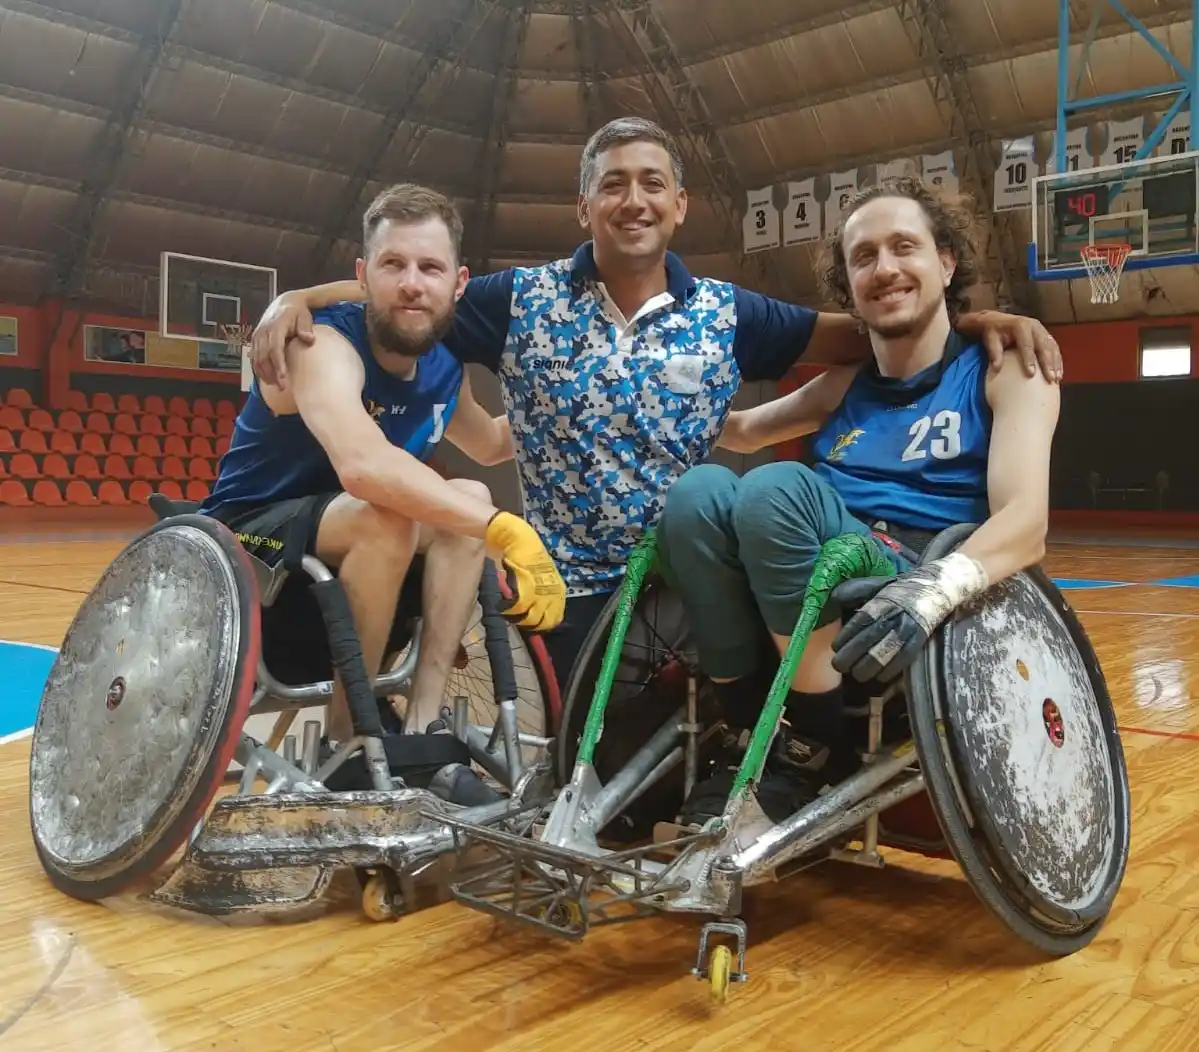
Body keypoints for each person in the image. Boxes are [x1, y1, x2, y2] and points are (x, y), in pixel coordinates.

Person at [245, 117, 1063, 694]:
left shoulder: (732, 314)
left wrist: (976, 318)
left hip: (685, 586)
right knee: (579, 790)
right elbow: (408, 292)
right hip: (562, 594)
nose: (632, 199)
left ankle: (772, 712)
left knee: (694, 728)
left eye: (652, 184)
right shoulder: (516, 299)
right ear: (585, 207)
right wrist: (303, 298)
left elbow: (870, 328)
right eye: (612, 185)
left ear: (678, 205)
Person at [656, 176, 1060, 824]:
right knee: (697, 494)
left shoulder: (1001, 367)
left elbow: (1026, 523)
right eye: (864, 256)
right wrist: (658, 382)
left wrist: (929, 590)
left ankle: (815, 743)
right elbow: (736, 431)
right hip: (817, 551)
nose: (885, 267)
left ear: (945, 261)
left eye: (905, 247)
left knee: (773, 487)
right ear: (847, 287)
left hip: (916, 565)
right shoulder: (842, 382)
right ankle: (739, 726)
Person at [199, 182, 565, 804]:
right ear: (364, 275)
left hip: (350, 559)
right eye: (393, 265)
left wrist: (567, 402)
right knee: (391, 514)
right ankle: (347, 742)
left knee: (467, 492)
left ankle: (417, 734)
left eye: (430, 267)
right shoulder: (321, 343)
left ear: (459, 282)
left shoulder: (447, 364)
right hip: (250, 545)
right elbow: (363, 468)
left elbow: (494, 444)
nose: (412, 283)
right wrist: (506, 528)